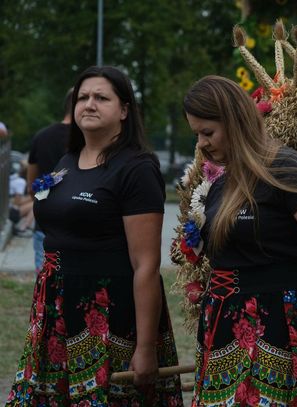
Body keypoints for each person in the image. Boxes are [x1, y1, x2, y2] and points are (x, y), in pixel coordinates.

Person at [6, 66, 184, 406]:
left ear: (124, 111)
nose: (89, 104)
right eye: (83, 97)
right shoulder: (67, 160)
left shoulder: (137, 168)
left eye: (101, 98)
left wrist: (145, 348)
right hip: (55, 306)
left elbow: (146, 265)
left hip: (107, 313)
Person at [183, 75, 297, 406]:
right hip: (226, 324)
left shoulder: (285, 167)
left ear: (235, 122)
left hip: (280, 322)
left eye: (208, 132)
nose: (201, 143)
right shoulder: (223, 181)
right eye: (197, 134)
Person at [27, 88, 73, 271]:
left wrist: (41, 203)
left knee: (45, 280)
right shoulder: (89, 140)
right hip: (79, 222)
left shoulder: (42, 136)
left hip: (45, 221)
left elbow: (33, 186)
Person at [9, 162, 34, 237]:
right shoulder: (20, 182)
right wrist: (31, 197)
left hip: (9, 210)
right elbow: (17, 203)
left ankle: (25, 226)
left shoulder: (14, 179)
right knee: (35, 204)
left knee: (34, 201)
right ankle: (23, 228)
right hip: (10, 212)